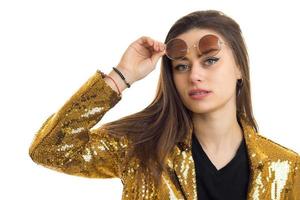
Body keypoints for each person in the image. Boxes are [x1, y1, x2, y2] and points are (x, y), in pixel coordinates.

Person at [29, 10, 300, 200]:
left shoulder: (287, 167)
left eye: (210, 60)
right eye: (182, 66)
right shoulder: (140, 151)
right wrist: (122, 76)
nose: (194, 75)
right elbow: (49, 150)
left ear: (240, 67)